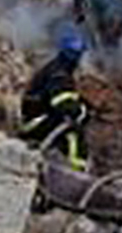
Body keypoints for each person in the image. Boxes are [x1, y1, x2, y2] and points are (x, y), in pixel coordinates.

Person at [20, 26, 90, 171]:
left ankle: (61, 163)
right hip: (36, 121)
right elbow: (64, 106)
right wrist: (83, 111)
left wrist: (81, 104)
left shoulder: (57, 68)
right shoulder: (60, 75)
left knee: (68, 124)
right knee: (74, 133)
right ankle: (76, 174)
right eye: (79, 55)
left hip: (37, 117)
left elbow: (65, 98)